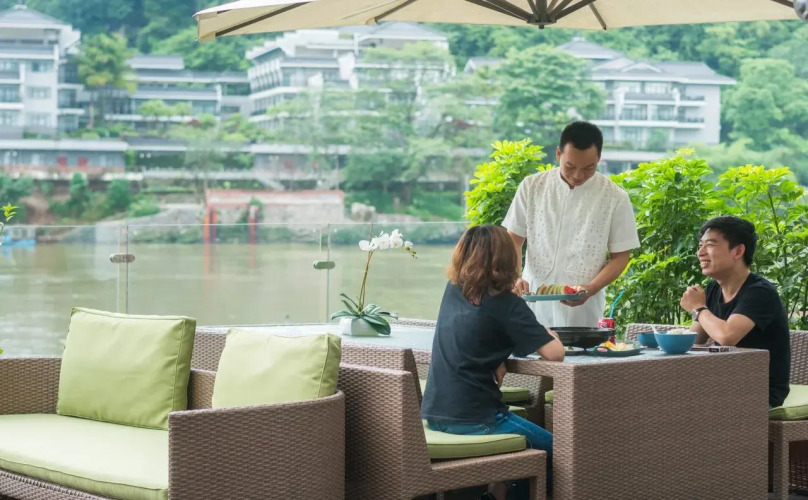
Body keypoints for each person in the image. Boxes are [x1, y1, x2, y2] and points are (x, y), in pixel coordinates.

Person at [421, 225, 565, 500]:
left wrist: (498, 359)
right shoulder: (507, 304)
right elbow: (555, 353)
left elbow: (477, 334)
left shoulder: (453, 290)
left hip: (436, 415)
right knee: (560, 453)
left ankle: (498, 492)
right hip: (478, 419)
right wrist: (547, 332)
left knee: (528, 450)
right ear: (508, 260)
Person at [502, 121, 640, 328]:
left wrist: (591, 288)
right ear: (558, 154)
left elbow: (620, 257)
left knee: (580, 348)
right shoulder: (531, 186)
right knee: (531, 347)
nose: (578, 175)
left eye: (588, 168)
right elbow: (513, 239)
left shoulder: (615, 197)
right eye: (570, 166)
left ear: (599, 159)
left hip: (583, 306)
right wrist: (515, 276)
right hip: (533, 297)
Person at [680, 216, 791, 408]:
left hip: (758, 393)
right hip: (725, 386)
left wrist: (698, 308)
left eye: (710, 245)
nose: (700, 253)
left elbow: (727, 336)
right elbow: (694, 339)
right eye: (700, 246)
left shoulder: (760, 292)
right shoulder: (713, 288)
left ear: (738, 251)